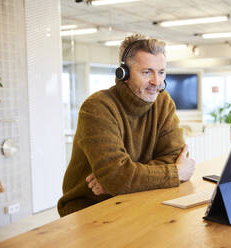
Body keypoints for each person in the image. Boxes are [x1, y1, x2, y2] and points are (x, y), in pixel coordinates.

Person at [57, 34, 196, 217]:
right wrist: (175, 173)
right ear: (124, 73)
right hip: (90, 206)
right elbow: (116, 176)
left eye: (161, 72)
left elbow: (173, 157)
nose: (157, 82)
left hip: (137, 199)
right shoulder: (97, 107)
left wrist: (123, 180)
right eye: (147, 72)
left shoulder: (163, 102)